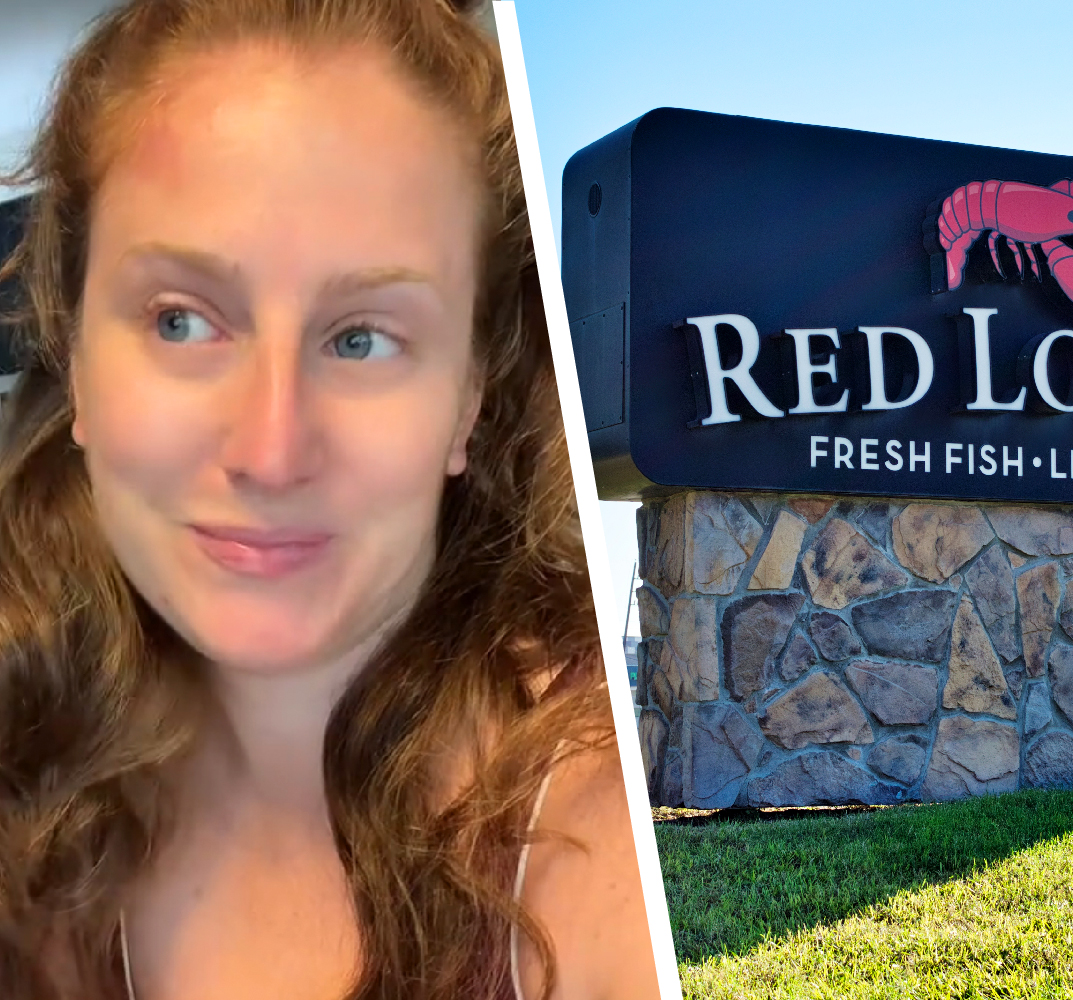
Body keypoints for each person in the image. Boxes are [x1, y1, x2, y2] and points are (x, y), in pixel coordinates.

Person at [0, 1, 658, 998]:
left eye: (361, 339)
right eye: (181, 321)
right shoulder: (35, 768)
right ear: (77, 357)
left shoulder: (596, 838)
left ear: (467, 397)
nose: (270, 452)